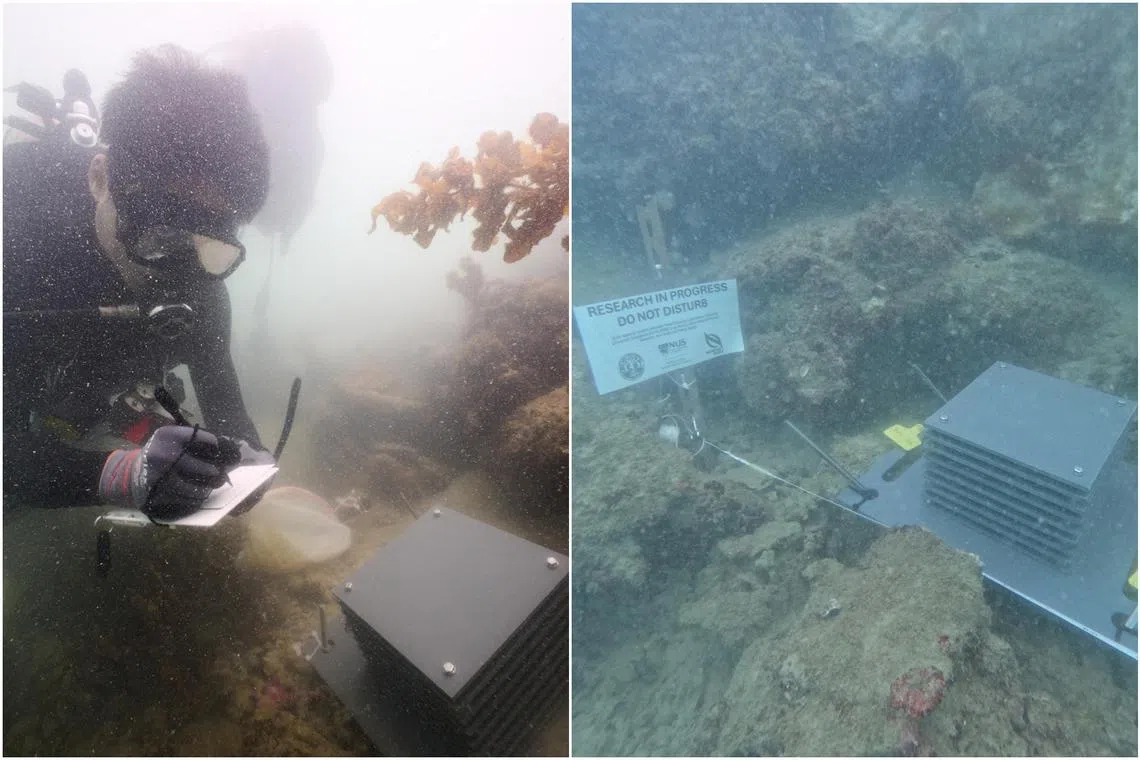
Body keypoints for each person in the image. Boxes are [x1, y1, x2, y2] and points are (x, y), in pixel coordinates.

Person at [3, 45, 276, 520]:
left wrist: (246, 462)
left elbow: (224, 399)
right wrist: (119, 475)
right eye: (162, 239)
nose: (180, 277)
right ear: (99, 178)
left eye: (211, 249)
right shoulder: (15, 237)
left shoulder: (202, 288)